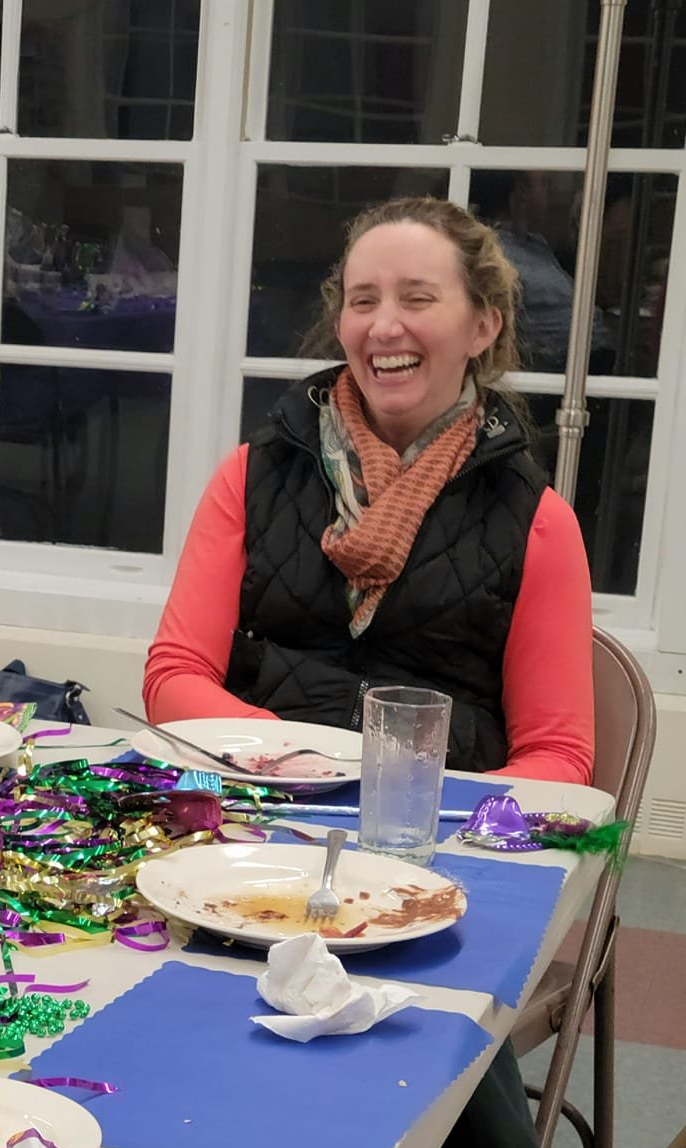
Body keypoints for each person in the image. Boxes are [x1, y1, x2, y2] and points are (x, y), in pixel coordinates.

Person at [145, 196, 594, 785]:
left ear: (483, 326)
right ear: (341, 325)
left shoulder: (537, 520)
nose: (384, 326)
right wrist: (288, 759)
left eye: (418, 298)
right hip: (250, 806)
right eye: (363, 302)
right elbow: (173, 678)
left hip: (426, 835)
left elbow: (558, 758)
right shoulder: (252, 474)